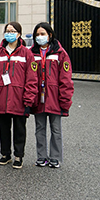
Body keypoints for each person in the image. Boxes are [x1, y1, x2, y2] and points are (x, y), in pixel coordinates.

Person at [0, 22, 38, 169]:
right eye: (7, 31)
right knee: (3, 128)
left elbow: (32, 78)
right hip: (1, 97)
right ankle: (5, 154)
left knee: (19, 129)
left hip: (19, 99)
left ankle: (18, 155)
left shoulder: (27, 54)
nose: (9, 33)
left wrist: (29, 98)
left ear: (19, 34)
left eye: (13, 31)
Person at [30, 22, 74, 169]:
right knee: (39, 129)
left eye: (42, 34)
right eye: (37, 34)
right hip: (39, 98)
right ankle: (41, 157)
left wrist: (65, 100)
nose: (40, 37)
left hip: (55, 98)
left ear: (50, 35)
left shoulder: (60, 53)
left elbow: (66, 79)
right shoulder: (32, 53)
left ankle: (55, 158)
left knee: (56, 129)